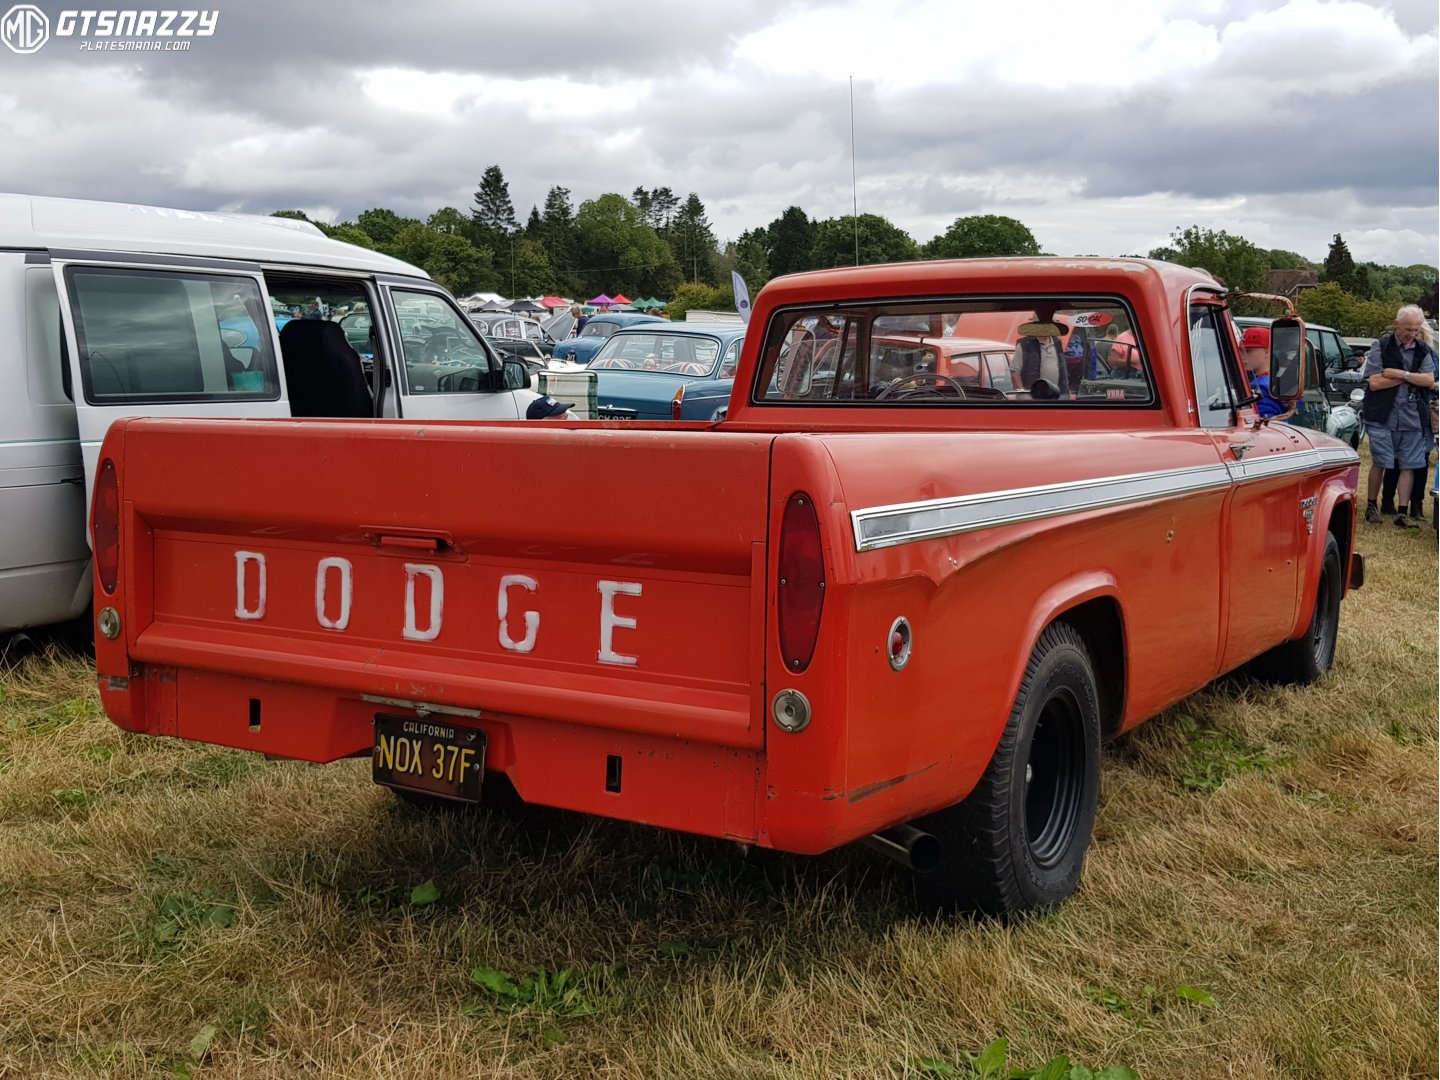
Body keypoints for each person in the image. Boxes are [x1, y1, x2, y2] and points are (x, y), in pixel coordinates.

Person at [1360, 305, 1436, 527]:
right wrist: (1412, 377)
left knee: (1409, 465)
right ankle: (1372, 506)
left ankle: (1402, 512)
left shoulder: (1423, 349)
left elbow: (1429, 380)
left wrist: (1398, 374)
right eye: (1407, 329)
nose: (1411, 333)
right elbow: (1374, 383)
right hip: (1382, 416)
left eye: (1415, 329)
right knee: (1381, 462)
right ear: (1396, 325)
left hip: (1412, 417)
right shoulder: (1380, 347)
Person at [1240, 326, 1288, 420]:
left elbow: (1265, 425)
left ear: (1267, 352)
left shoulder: (1260, 388)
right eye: (1241, 351)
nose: (1242, 356)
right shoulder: (1278, 382)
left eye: (1248, 351)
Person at [1017, 318, 1069, 397]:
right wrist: (1024, 396)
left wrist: (1065, 395)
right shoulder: (1024, 344)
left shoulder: (1057, 342)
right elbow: (1015, 373)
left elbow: (1062, 371)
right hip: (1033, 398)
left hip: (1058, 397)